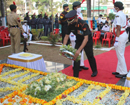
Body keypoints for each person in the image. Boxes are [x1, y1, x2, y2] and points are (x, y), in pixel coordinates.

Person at [63, 10, 98, 77]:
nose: (70, 23)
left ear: (76, 18)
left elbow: (86, 39)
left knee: (90, 56)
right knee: (76, 57)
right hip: (79, 40)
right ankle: (75, 76)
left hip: (87, 41)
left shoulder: (83, 24)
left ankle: (94, 70)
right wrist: (64, 47)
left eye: (72, 21)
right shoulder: (70, 24)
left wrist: (79, 50)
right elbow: (66, 36)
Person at [70, 1, 88, 71]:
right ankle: (74, 65)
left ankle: (81, 64)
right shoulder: (72, 14)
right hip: (74, 35)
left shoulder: (80, 14)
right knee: (75, 50)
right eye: (79, 7)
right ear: (75, 7)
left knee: (81, 49)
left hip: (80, 34)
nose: (80, 8)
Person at [112, 1, 128, 78]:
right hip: (123, 34)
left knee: (120, 54)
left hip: (120, 35)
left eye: (114, 7)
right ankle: (119, 70)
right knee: (119, 54)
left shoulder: (118, 15)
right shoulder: (123, 14)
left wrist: (117, 39)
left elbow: (118, 27)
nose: (114, 8)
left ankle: (124, 72)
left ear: (117, 7)